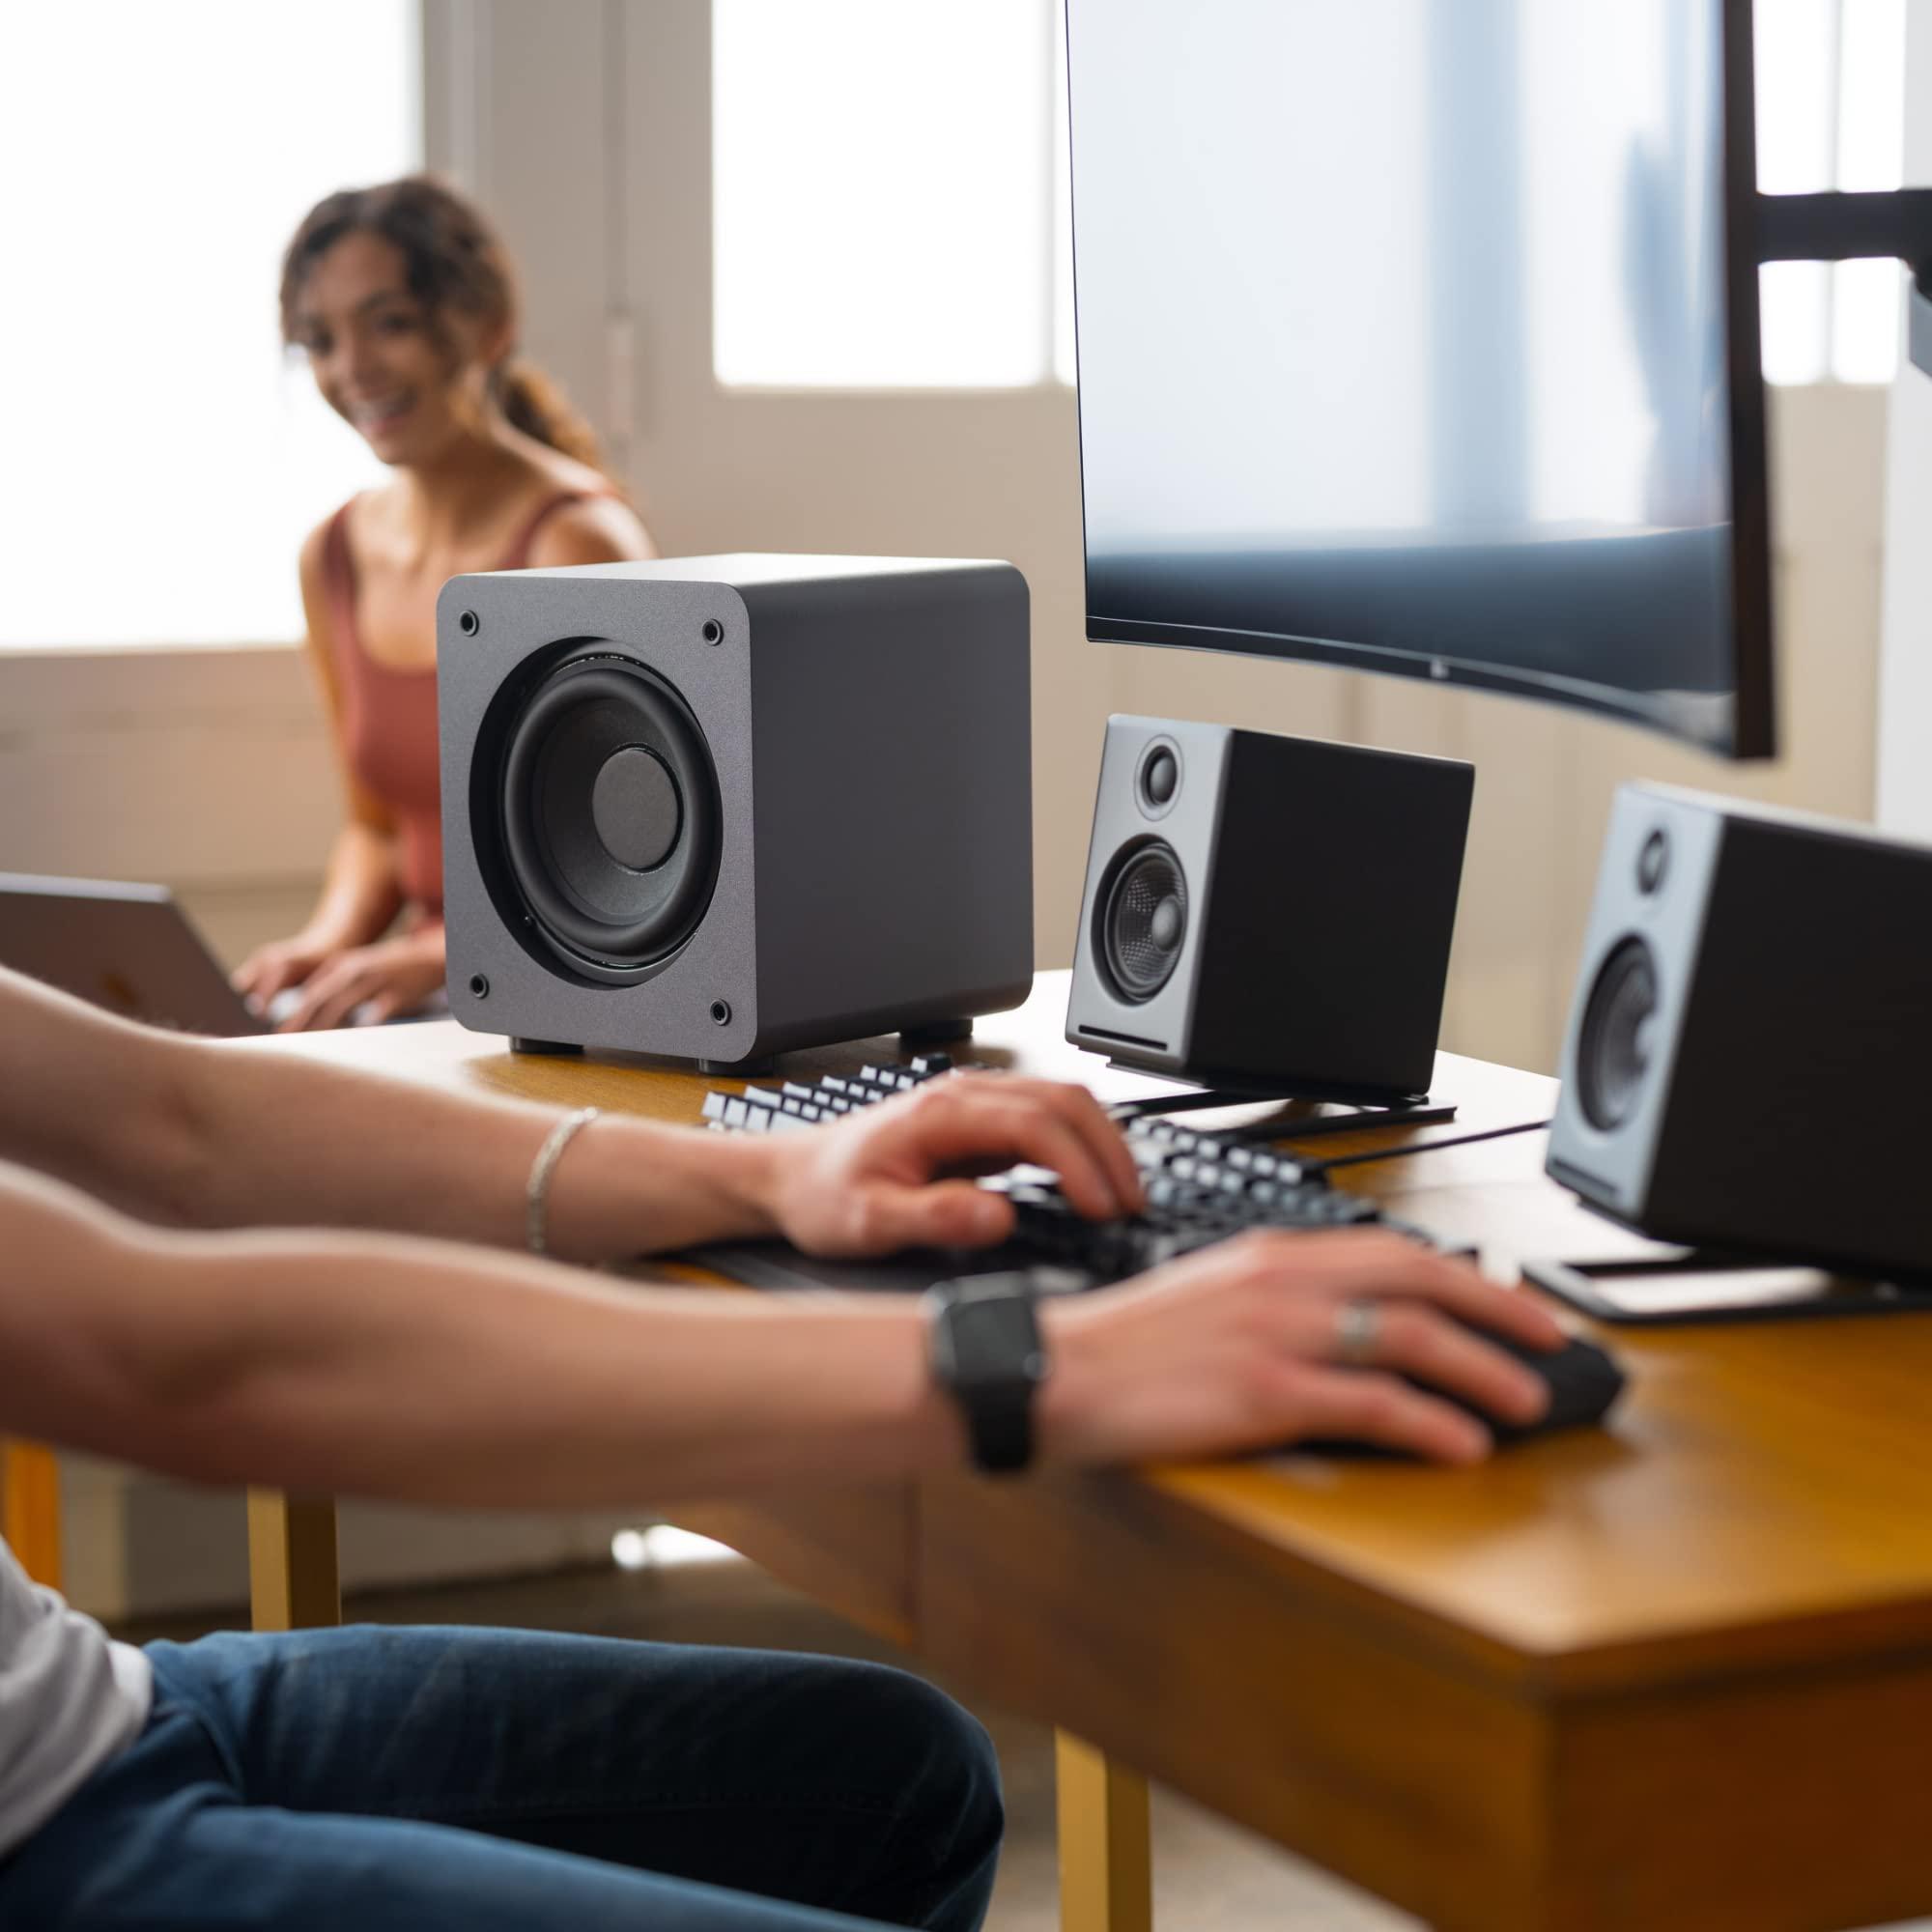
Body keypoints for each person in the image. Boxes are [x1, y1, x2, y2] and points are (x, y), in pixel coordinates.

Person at [0, 963, 1562, 1929]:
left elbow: (170, 1124)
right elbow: (174, 1360)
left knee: (900, 1786)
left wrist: (769, 1181)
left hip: (83, 1712)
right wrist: (1031, 1362)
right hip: (38, 1846)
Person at [233, 176, 652, 1033]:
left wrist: (442, 955)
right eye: (321, 340)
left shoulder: (576, 544)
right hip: (430, 1011)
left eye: (389, 323)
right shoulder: (333, 557)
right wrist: (327, 945)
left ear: (488, 328)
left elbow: (642, 860)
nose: (352, 370)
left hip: (569, 1008)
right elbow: (379, 829)